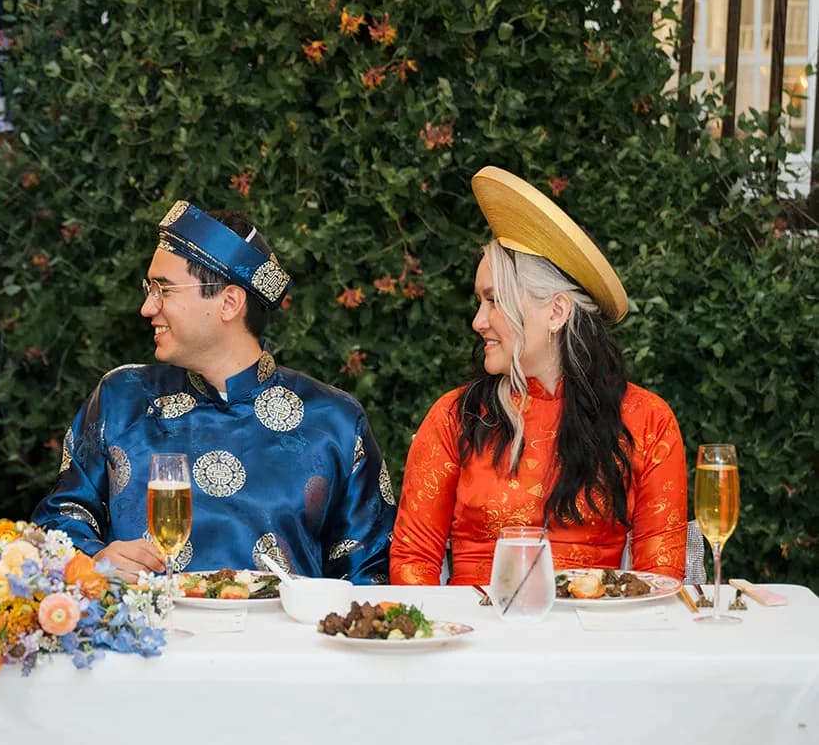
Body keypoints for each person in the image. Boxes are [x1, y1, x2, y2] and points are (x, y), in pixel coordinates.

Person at [33, 202, 395, 581]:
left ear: (228, 302)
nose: (146, 307)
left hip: (282, 640)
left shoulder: (333, 421)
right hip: (150, 635)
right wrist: (97, 558)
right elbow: (59, 521)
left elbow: (369, 572)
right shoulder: (122, 398)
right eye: (149, 289)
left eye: (163, 289)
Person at [391, 166, 687, 585]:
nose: (478, 321)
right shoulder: (454, 417)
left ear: (556, 311)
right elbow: (412, 559)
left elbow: (660, 579)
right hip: (477, 640)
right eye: (480, 301)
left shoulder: (647, 420)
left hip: (592, 641)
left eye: (493, 300)